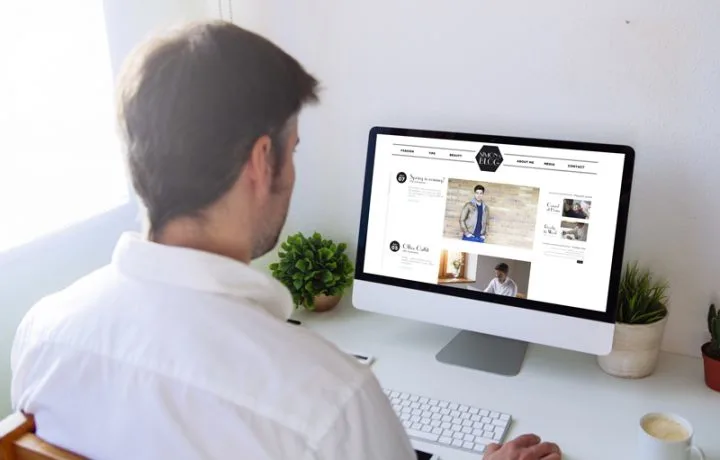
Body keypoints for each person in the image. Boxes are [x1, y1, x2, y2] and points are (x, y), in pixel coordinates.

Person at [10, 21, 561, 460]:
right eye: (293, 148)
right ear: (261, 161)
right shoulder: (330, 401)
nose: (295, 169)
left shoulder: (43, 333)